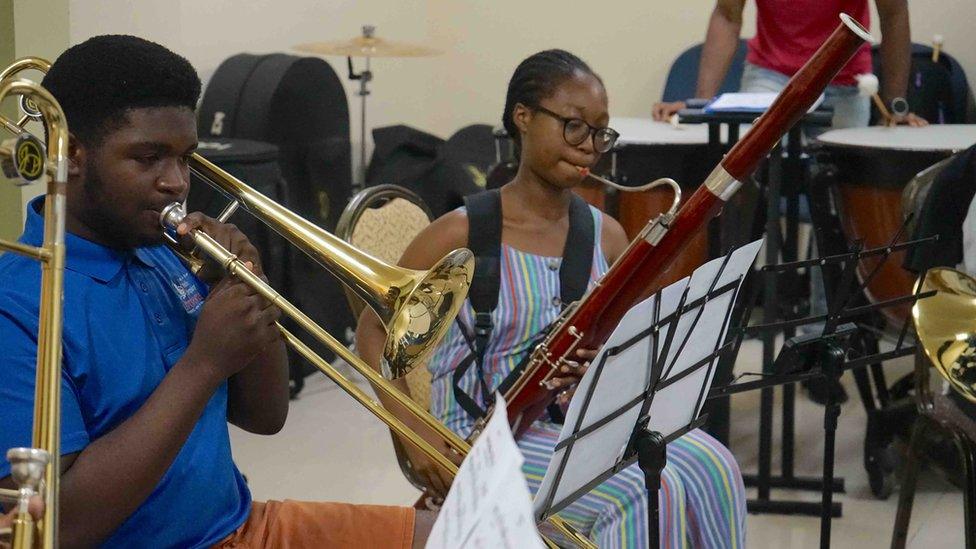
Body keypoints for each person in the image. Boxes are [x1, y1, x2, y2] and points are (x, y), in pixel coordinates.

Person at [0, 35, 431, 548]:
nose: (177, 183)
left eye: (185, 158)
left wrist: (246, 285)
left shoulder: (162, 253)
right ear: (69, 154)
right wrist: (204, 362)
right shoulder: (20, 305)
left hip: (243, 526)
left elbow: (266, 416)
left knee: (473, 534)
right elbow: (58, 526)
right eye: (148, 158)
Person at [358, 49, 747, 548]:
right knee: (645, 493)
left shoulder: (605, 235)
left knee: (716, 466)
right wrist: (415, 432)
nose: (589, 146)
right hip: (481, 432)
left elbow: (623, 348)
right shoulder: (462, 232)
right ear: (523, 118)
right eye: (573, 126)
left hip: (574, 422)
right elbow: (372, 332)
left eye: (600, 132)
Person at [652, 0, 927, 129]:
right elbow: (727, 14)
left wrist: (895, 106)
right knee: (749, 183)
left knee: (838, 201)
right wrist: (702, 105)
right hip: (770, 79)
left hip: (844, 81)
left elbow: (893, 14)